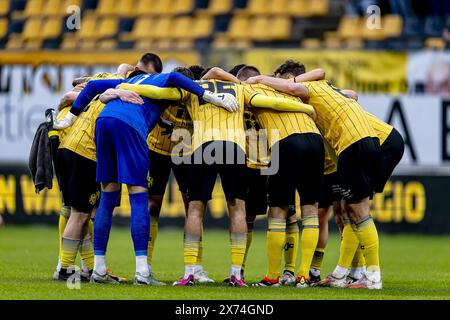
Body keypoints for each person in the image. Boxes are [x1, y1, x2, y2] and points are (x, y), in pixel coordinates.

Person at [117, 72, 316, 287]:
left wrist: (124, 85)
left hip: (204, 145)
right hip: (234, 147)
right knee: (237, 207)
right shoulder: (240, 89)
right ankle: (236, 275)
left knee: (195, 208)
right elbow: (272, 103)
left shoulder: (193, 87)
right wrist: (306, 108)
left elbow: (157, 92)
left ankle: (189, 273)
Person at [56, 54, 238, 285]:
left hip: (105, 123)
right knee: (138, 196)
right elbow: (173, 77)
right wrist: (212, 96)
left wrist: (71, 118)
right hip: (130, 127)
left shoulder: (133, 81)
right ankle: (142, 272)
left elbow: (91, 85)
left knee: (108, 196)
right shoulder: (167, 82)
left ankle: (99, 269)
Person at [249, 60, 384, 289]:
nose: (275, 81)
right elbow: (351, 94)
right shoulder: (311, 93)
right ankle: (317, 273)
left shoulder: (303, 88)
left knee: (343, 212)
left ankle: (362, 274)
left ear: (288, 77)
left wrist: (263, 80)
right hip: (326, 153)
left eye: (277, 77)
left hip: (336, 151)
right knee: (330, 213)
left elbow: (324, 78)